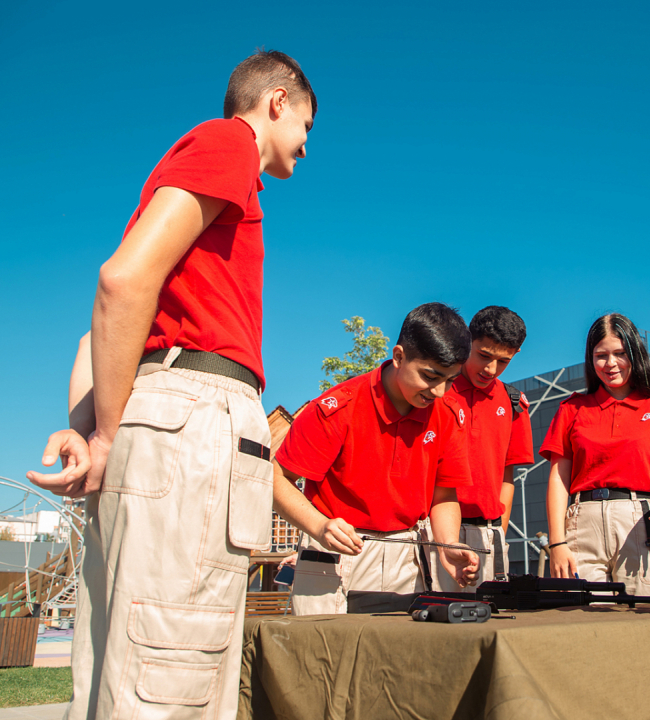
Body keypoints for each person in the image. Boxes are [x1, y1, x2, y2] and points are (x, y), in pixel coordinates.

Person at [25, 50, 317, 719]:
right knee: (172, 673)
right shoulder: (228, 144)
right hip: (194, 415)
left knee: (123, 664)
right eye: (307, 125)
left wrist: (92, 432)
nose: (306, 147)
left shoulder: (207, 184)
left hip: (155, 411)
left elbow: (94, 335)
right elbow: (122, 281)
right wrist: (103, 434)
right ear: (277, 100)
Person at [273, 303, 480, 615]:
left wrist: (447, 544)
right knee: (320, 654)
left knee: (397, 654)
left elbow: (444, 492)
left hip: (406, 553)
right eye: (430, 376)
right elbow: (276, 480)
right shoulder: (336, 408)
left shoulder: (448, 415)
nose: (439, 391)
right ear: (398, 357)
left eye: (450, 380)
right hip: (334, 548)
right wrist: (320, 526)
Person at [542, 313, 650, 593]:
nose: (611, 363)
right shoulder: (572, 408)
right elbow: (558, 479)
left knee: (646, 620)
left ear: (636, 354)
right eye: (601, 355)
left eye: (620, 353)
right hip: (582, 524)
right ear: (590, 360)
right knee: (579, 621)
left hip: (644, 521)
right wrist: (557, 542)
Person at [428, 306, 534, 590]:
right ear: (466, 341)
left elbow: (507, 476)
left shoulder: (515, 404)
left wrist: (499, 530)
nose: (490, 369)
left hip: (488, 533)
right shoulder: (434, 392)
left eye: (503, 361)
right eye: (484, 355)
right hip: (435, 531)